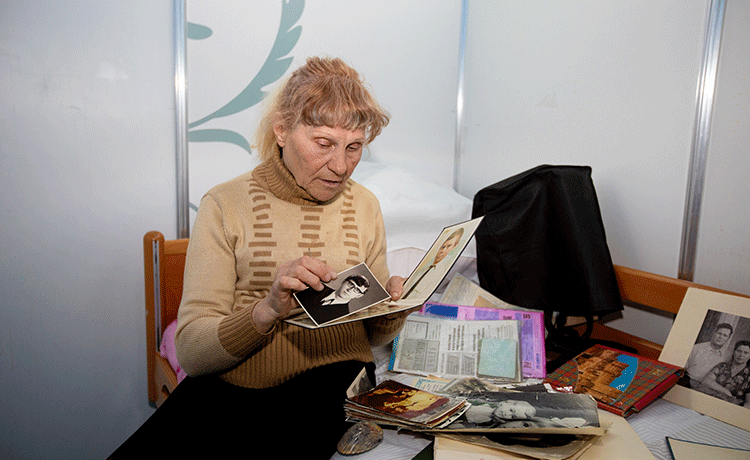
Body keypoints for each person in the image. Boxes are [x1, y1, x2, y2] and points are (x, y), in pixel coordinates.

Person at [108, 57, 415, 459]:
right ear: (282, 131)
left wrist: (394, 308)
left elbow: (372, 334)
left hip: (333, 385)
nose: (340, 166)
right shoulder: (225, 204)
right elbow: (192, 353)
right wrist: (267, 309)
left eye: (353, 147)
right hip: (234, 383)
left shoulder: (365, 206)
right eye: (323, 144)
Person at [402, 227, 464, 300]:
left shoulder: (443, 272)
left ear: (455, 246)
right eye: (442, 246)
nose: (443, 250)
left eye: (448, 246)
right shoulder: (424, 266)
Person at [296, 274, 370, 324]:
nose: (350, 290)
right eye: (351, 284)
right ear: (343, 282)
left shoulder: (343, 316)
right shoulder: (316, 287)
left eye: (357, 290)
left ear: (359, 296)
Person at [697, 339, 750, 407]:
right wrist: (726, 392)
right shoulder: (722, 366)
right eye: (739, 351)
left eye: (746, 353)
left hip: (729, 408)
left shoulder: (748, 376)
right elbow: (706, 381)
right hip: (709, 401)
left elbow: (748, 404)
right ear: (734, 352)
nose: (741, 355)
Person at [683, 322, 734, 388]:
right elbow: (683, 367)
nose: (721, 337)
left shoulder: (727, 357)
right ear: (714, 333)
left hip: (707, 387)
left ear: (728, 338)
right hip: (687, 381)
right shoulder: (697, 348)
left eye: (725, 335)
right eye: (719, 333)